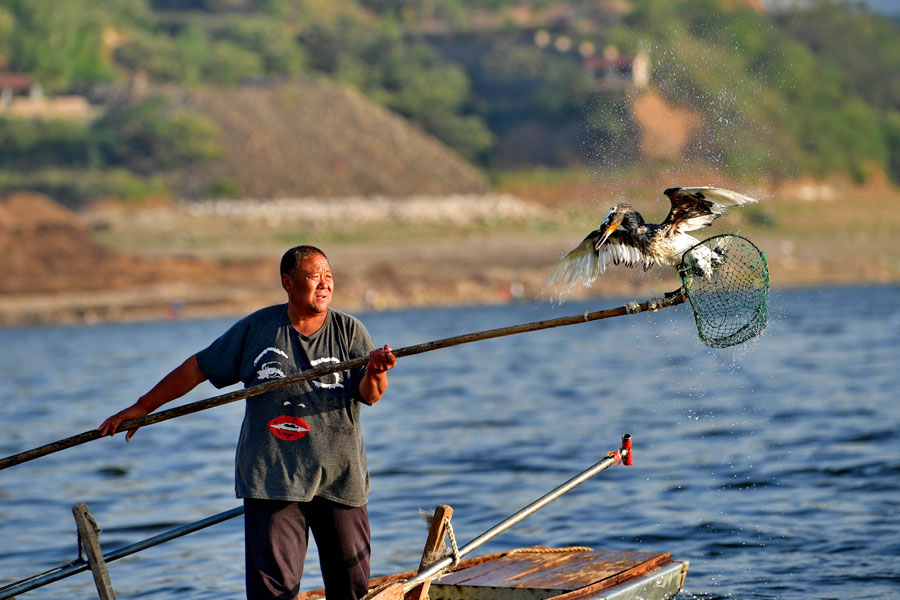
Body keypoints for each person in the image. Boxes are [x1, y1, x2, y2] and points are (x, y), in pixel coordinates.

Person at [98, 245, 396, 600]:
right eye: (313, 276)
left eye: (328, 276)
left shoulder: (350, 331)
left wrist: (376, 371)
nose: (324, 284)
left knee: (352, 589)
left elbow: (371, 393)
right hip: (272, 480)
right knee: (273, 594)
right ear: (287, 282)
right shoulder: (257, 329)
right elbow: (198, 367)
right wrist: (143, 406)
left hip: (339, 480)